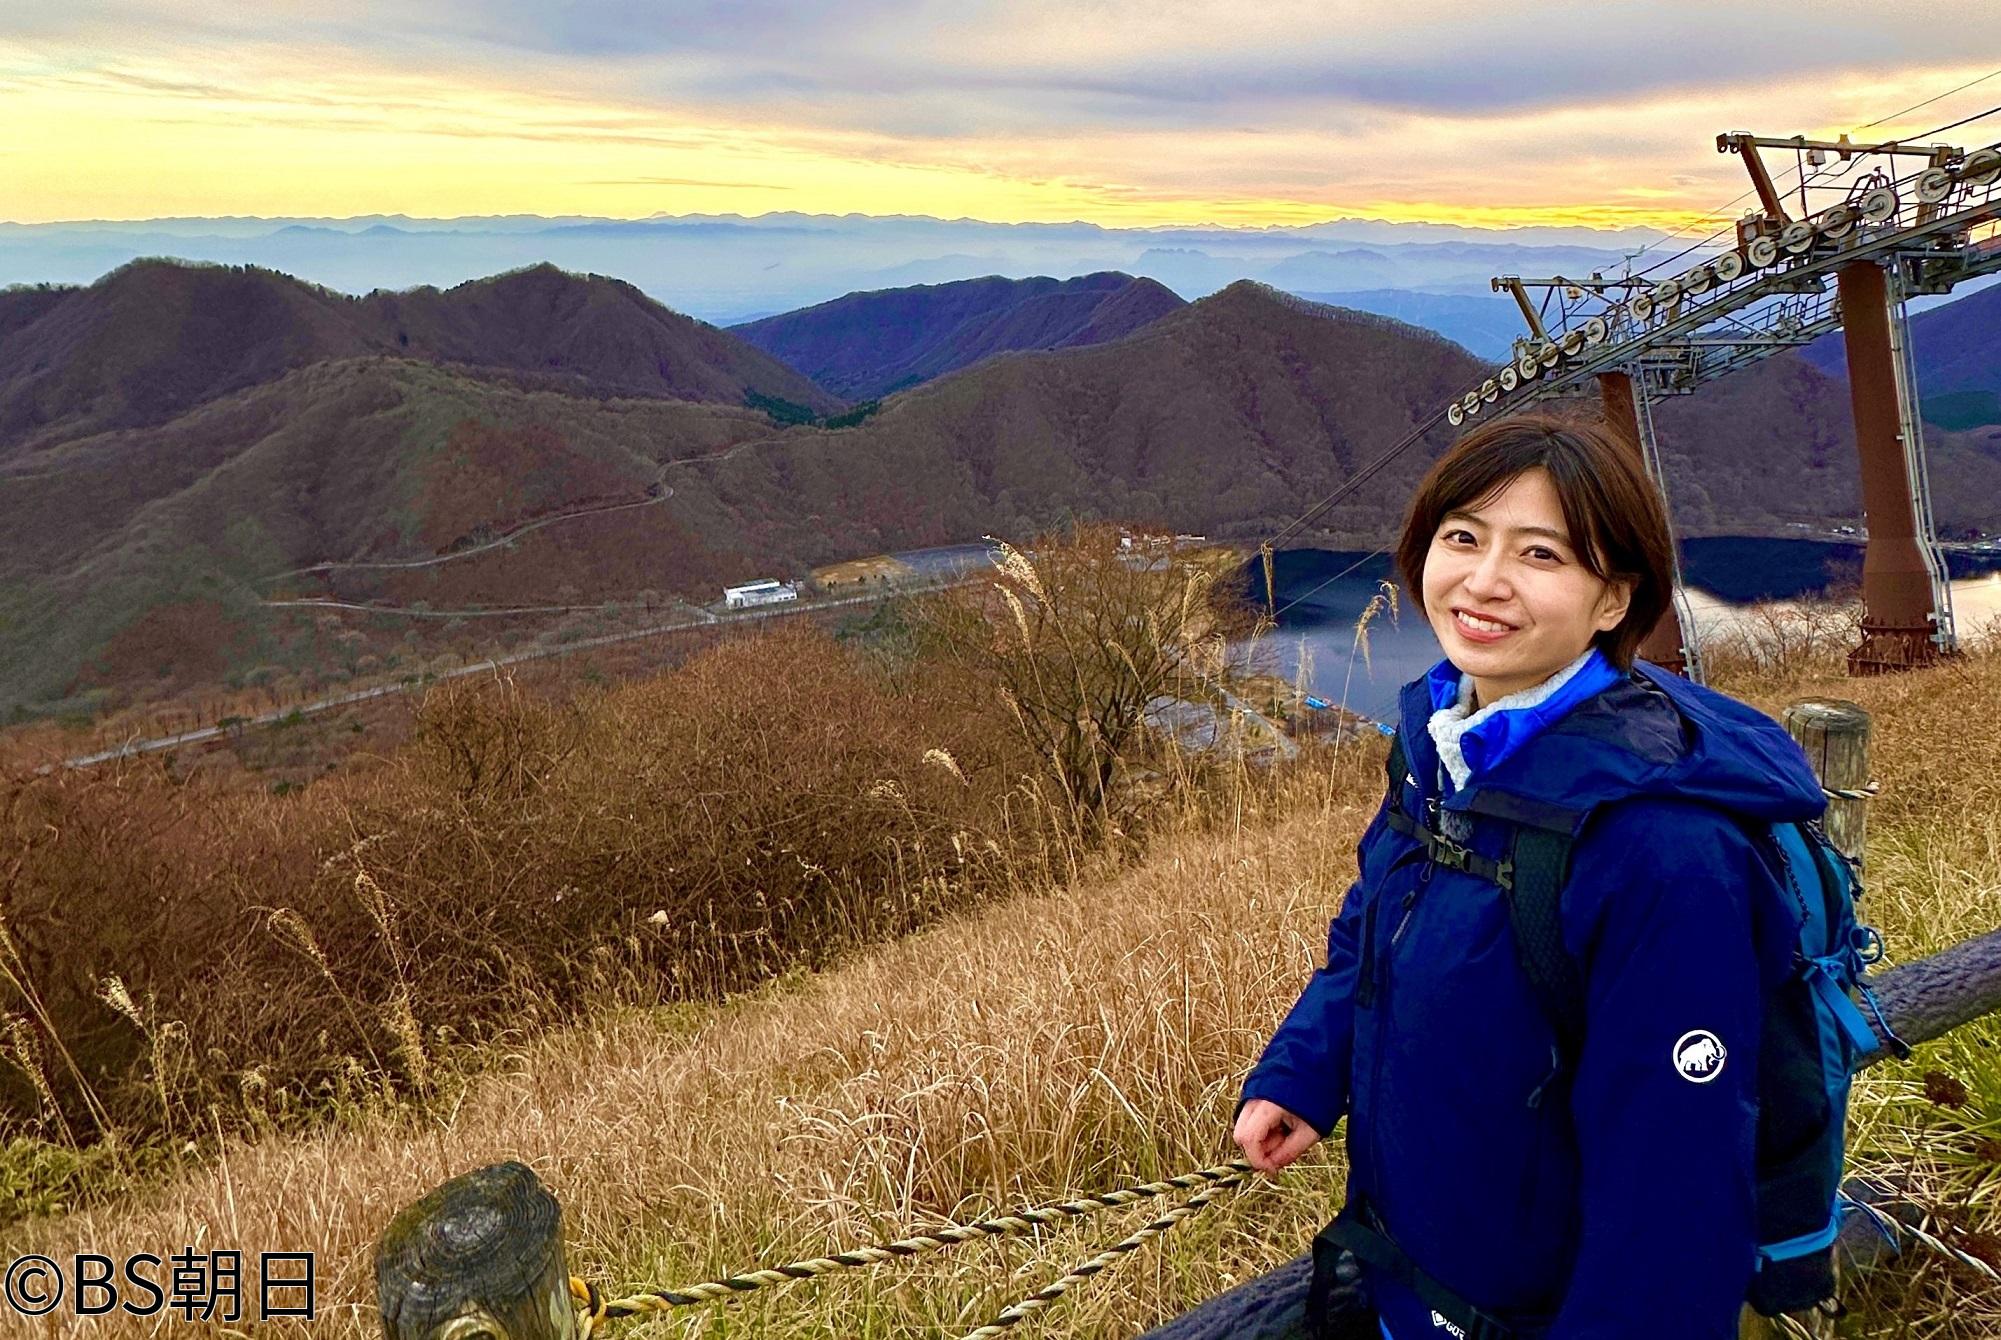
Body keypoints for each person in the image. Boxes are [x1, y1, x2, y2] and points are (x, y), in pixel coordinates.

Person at [1233, 411, 1825, 1339]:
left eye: (1541, 555)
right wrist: (1308, 1069)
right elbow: (1374, 921)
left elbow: (1672, 1182)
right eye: (1462, 537)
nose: (1483, 581)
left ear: (1612, 599)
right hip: (1421, 1279)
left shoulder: (1661, 850)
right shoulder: (1442, 738)